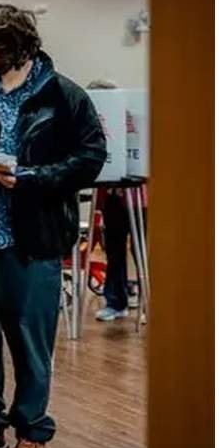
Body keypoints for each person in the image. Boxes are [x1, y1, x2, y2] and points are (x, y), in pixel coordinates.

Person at [0, 4, 107, 448]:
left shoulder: (63, 95)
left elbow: (91, 158)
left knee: (30, 344)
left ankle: (31, 433)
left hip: (33, 239)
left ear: (13, 46)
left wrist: (31, 177)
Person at [85, 79, 140, 322]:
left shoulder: (131, 120)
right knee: (114, 249)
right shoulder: (96, 123)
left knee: (142, 251)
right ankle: (116, 302)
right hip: (111, 197)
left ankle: (149, 302)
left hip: (138, 197)